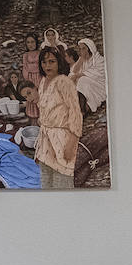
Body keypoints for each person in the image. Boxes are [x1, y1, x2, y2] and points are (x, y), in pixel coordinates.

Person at [34, 46, 82, 189]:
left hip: (63, 138)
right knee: (46, 179)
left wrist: (72, 143)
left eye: (51, 61)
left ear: (59, 63)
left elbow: (75, 112)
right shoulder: (43, 81)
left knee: (62, 181)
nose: (47, 66)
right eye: (44, 62)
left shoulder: (64, 82)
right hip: (46, 139)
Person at [69, 37, 107, 114]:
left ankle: (83, 109)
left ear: (89, 48)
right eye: (80, 49)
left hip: (98, 85)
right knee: (74, 78)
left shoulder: (99, 59)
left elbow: (97, 73)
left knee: (83, 80)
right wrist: (81, 59)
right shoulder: (83, 60)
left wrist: (79, 75)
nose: (81, 51)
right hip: (85, 84)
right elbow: (74, 71)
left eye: (83, 48)